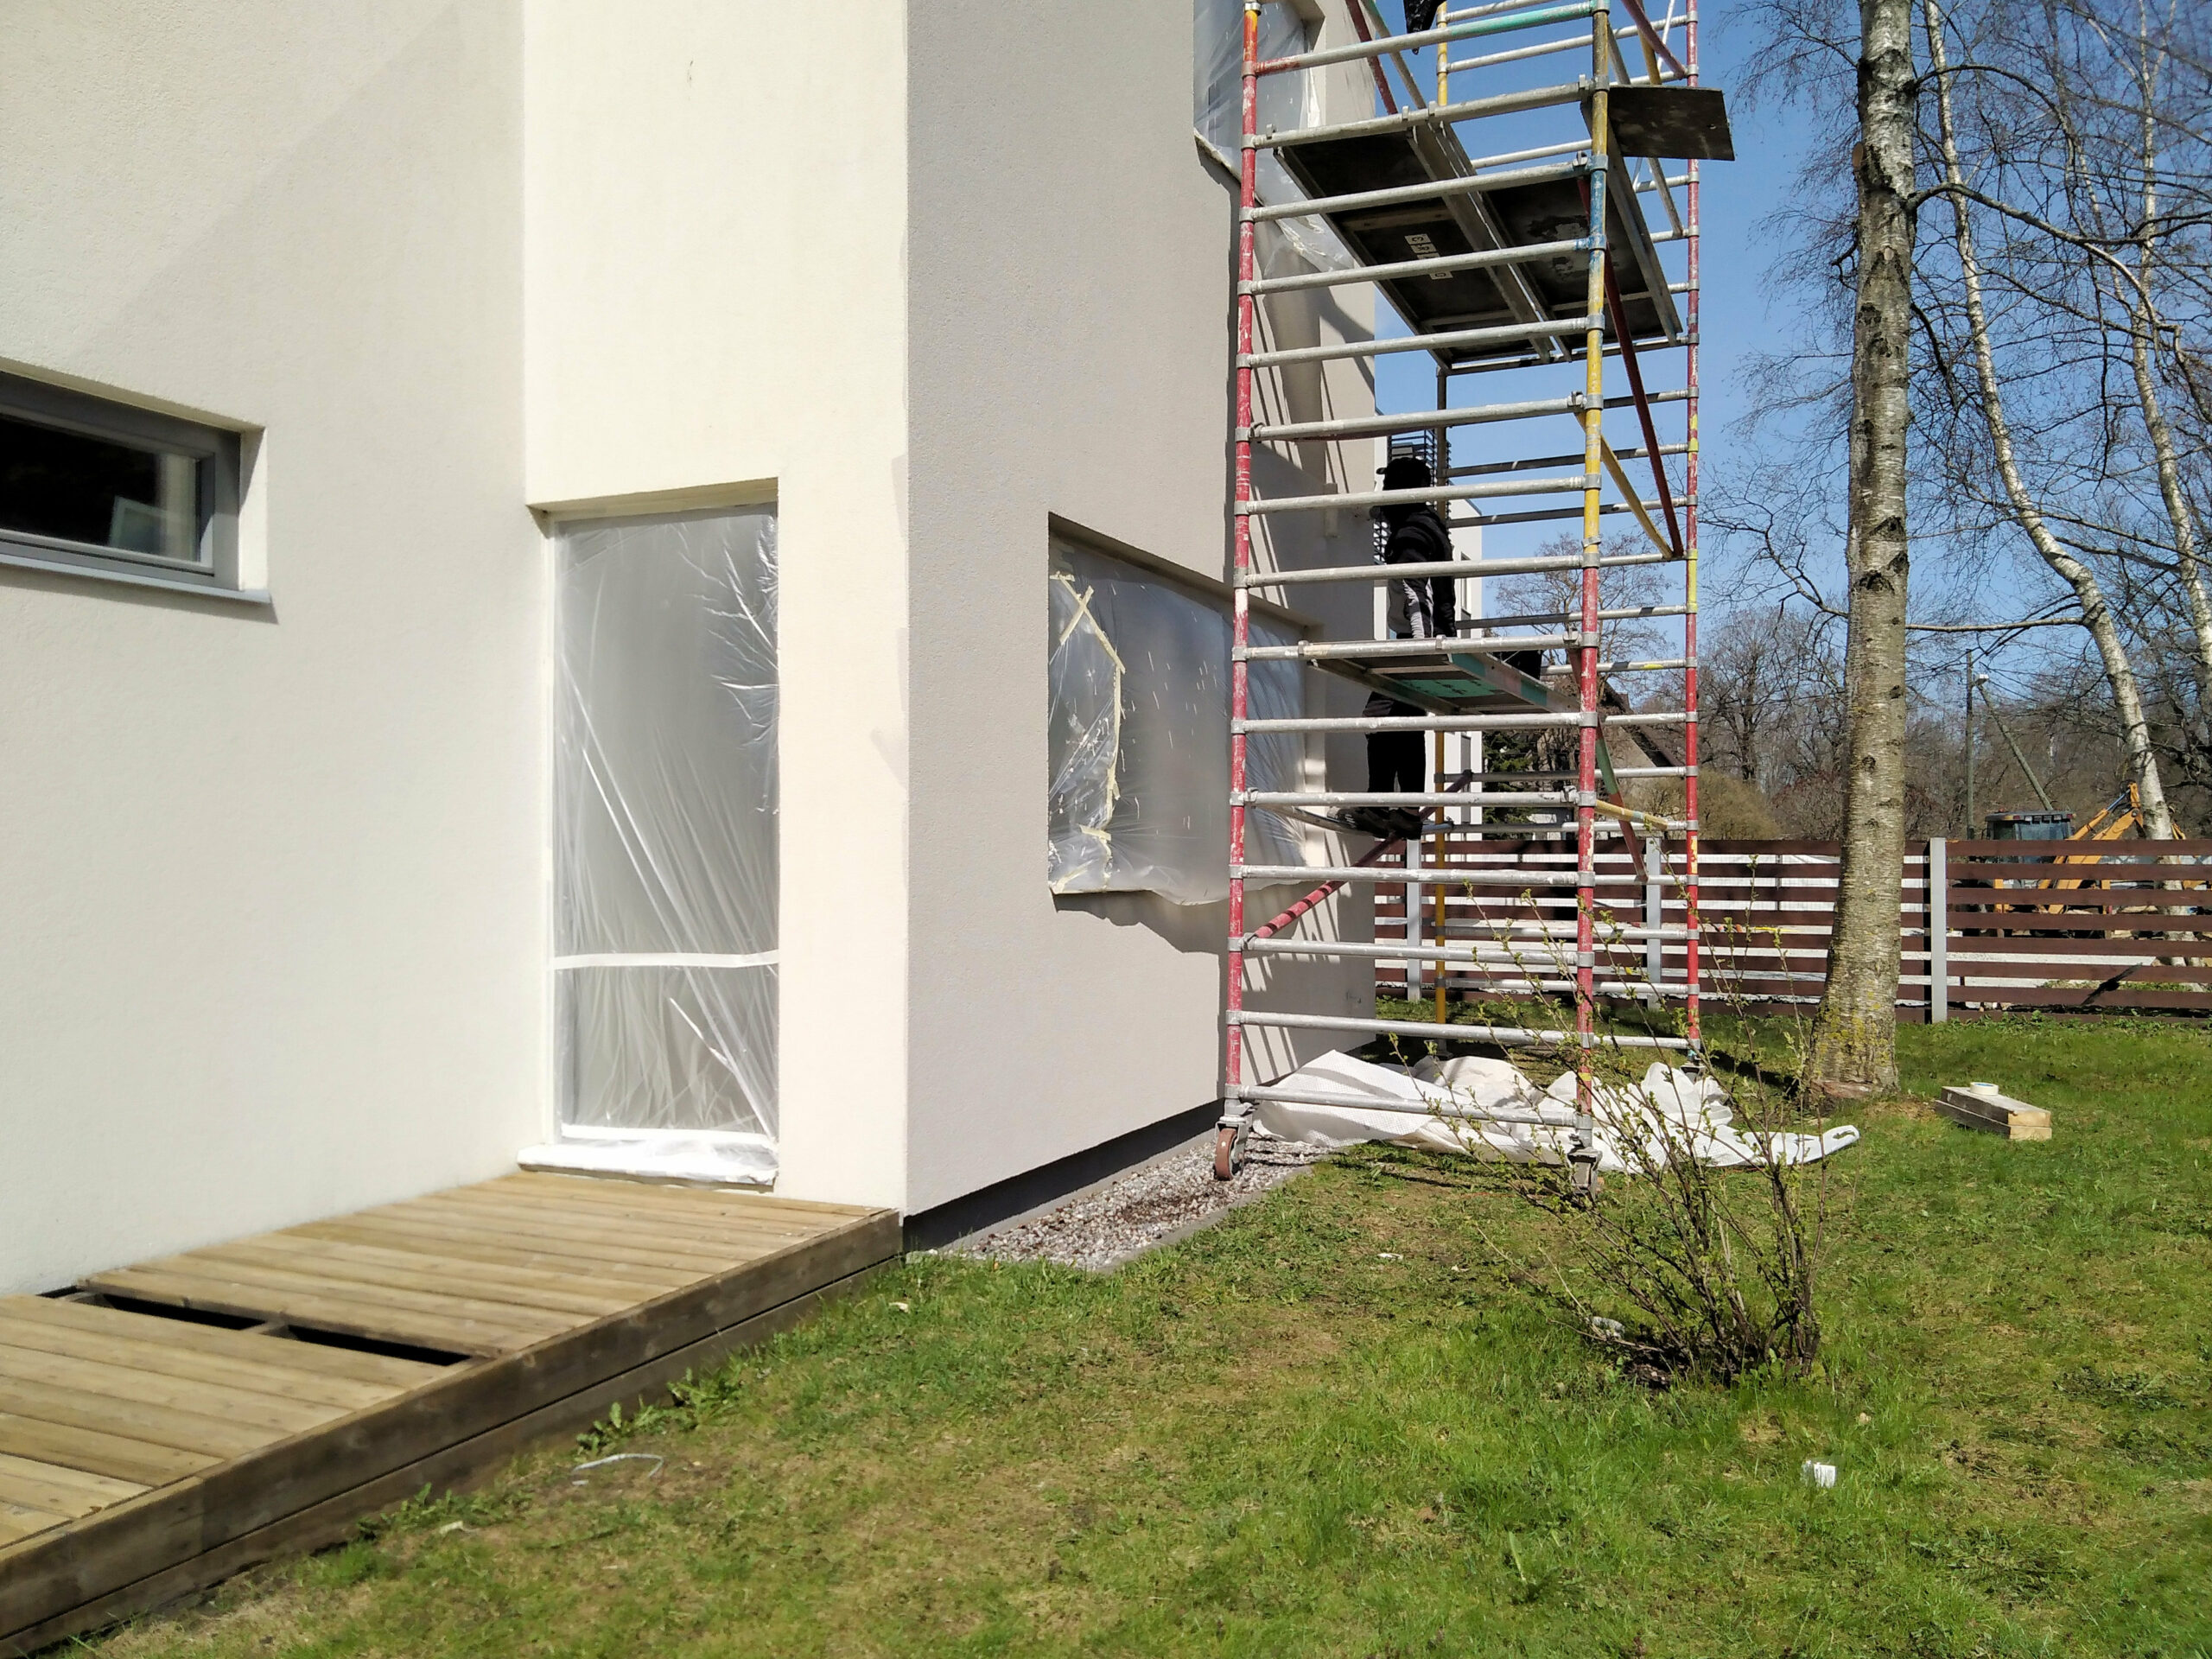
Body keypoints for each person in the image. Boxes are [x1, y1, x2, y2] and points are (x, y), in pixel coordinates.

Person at [1350, 454, 1456, 840]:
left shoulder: (1409, 534)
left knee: (1380, 717)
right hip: (1430, 636)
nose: (1383, 495)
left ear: (1400, 492)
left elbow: (1416, 593)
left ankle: (1381, 806)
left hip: (1420, 637)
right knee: (1405, 725)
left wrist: (1421, 648)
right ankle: (1406, 812)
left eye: (1388, 488)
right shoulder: (1429, 526)